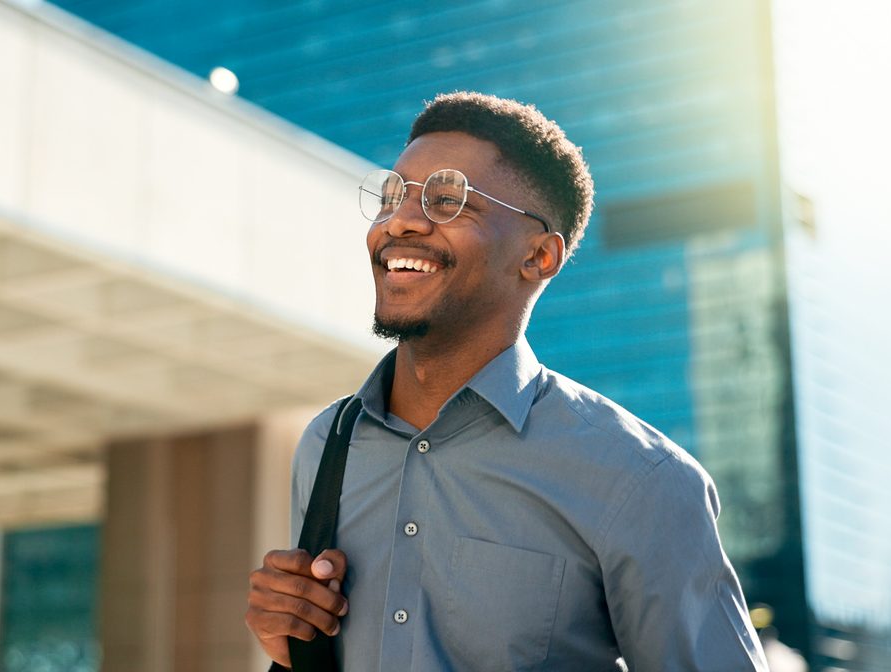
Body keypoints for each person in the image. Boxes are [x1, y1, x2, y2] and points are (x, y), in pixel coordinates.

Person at [245, 92, 767, 670]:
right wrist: (291, 643)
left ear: (539, 256)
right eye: (393, 196)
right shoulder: (327, 443)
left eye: (448, 200)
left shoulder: (643, 482)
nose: (400, 222)